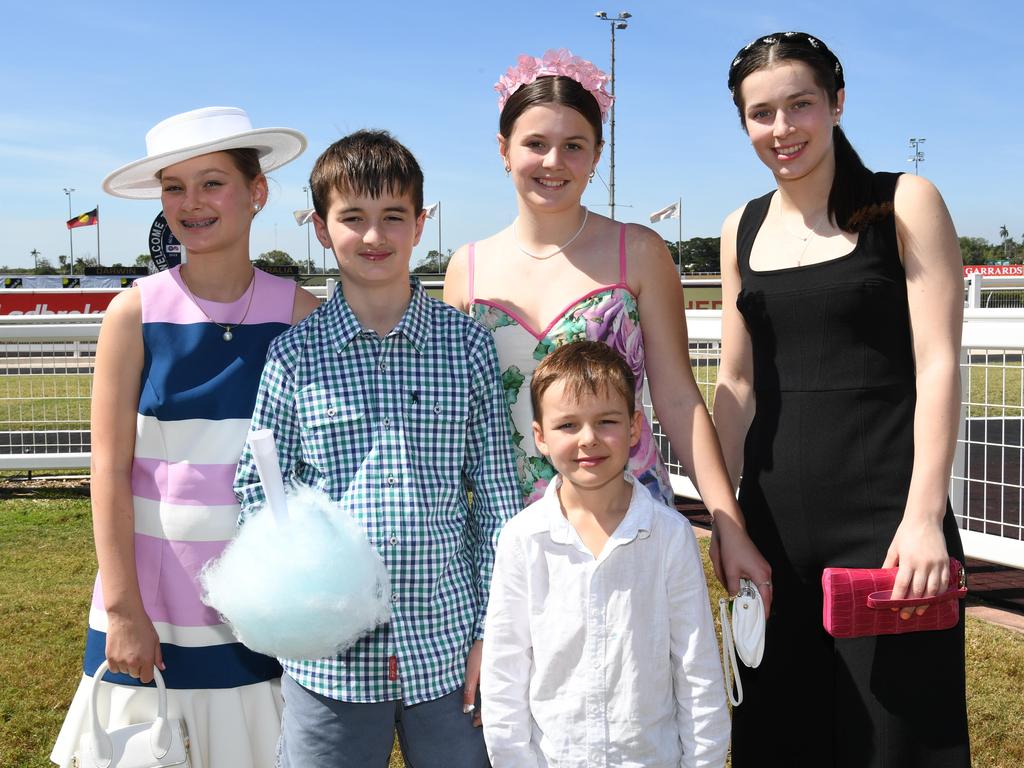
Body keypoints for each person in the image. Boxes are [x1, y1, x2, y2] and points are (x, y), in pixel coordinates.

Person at [712, 32, 970, 766]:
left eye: (800, 105)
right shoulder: (741, 228)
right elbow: (736, 383)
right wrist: (723, 517)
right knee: (777, 735)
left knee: (898, 740)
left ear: (837, 104)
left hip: (888, 524)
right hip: (773, 531)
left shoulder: (904, 201)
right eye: (761, 114)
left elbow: (939, 361)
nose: (782, 128)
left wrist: (923, 519)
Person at [233, 129, 522, 768]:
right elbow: (259, 489)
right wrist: (291, 601)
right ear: (320, 227)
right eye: (353, 218)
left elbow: (499, 499)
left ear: (420, 224)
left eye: (394, 217)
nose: (374, 236)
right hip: (329, 664)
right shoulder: (293, 356)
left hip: (448, 652)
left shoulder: (466, 347)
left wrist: (491, 633)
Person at [444, 50, 769, 601]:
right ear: (503, 151)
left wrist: (726, 521)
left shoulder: (639, 251)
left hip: (629, 519)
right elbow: (454, 421)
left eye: (574, 145)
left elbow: (677, 397)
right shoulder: (466, 269)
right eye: (535, 144)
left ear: (596, 155)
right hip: (510, 534)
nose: (554, 161)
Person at [50, 106, 320, 768]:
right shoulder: (134, 313)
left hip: (264, 608)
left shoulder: (305, 313)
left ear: (256, 193)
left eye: (213, 183)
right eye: (175, 186)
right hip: (155, 605)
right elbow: (109, 472)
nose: (192, 203)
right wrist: (122, 611)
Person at [481, 340, 729, 768]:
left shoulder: (670, 536)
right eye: (568, 426)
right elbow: (504, 675)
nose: (589, 439)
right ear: (539, 437)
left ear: (634, 428)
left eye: (606, 421)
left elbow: (698, 670)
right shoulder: (522, 539)